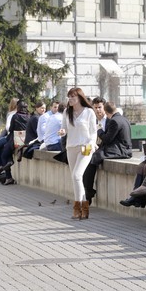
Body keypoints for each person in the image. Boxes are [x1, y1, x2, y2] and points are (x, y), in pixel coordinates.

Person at [58, 88, 97, 220]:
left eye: (72, 97)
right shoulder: (66, 112)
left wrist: (91, 144)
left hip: (85, 147)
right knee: (76, 179)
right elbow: (63, 127)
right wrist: (62, 131)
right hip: (71, 147)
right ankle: (85, 210)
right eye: (69, 97)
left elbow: (93, 132)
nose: (70, 100)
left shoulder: (89, 112)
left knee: (77, 175)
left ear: (80, 98)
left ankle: (77, 207)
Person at [83, 101, 133, 204]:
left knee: (91, 159)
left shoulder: (114, 121)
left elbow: (107, 139)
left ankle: (88, 192)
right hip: (123, 149)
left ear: (106, 112)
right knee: (93, 156)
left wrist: (99, 131)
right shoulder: (124, 119)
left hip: (120, 150)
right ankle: (88, 191)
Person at [0, 100, 30, 185]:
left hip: (15, 139)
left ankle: (9, 177)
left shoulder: (15, 116)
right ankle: (10, 161)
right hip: (25, 140)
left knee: (4, 155)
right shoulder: (29, 116)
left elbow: (11, 129)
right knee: (7, 151)